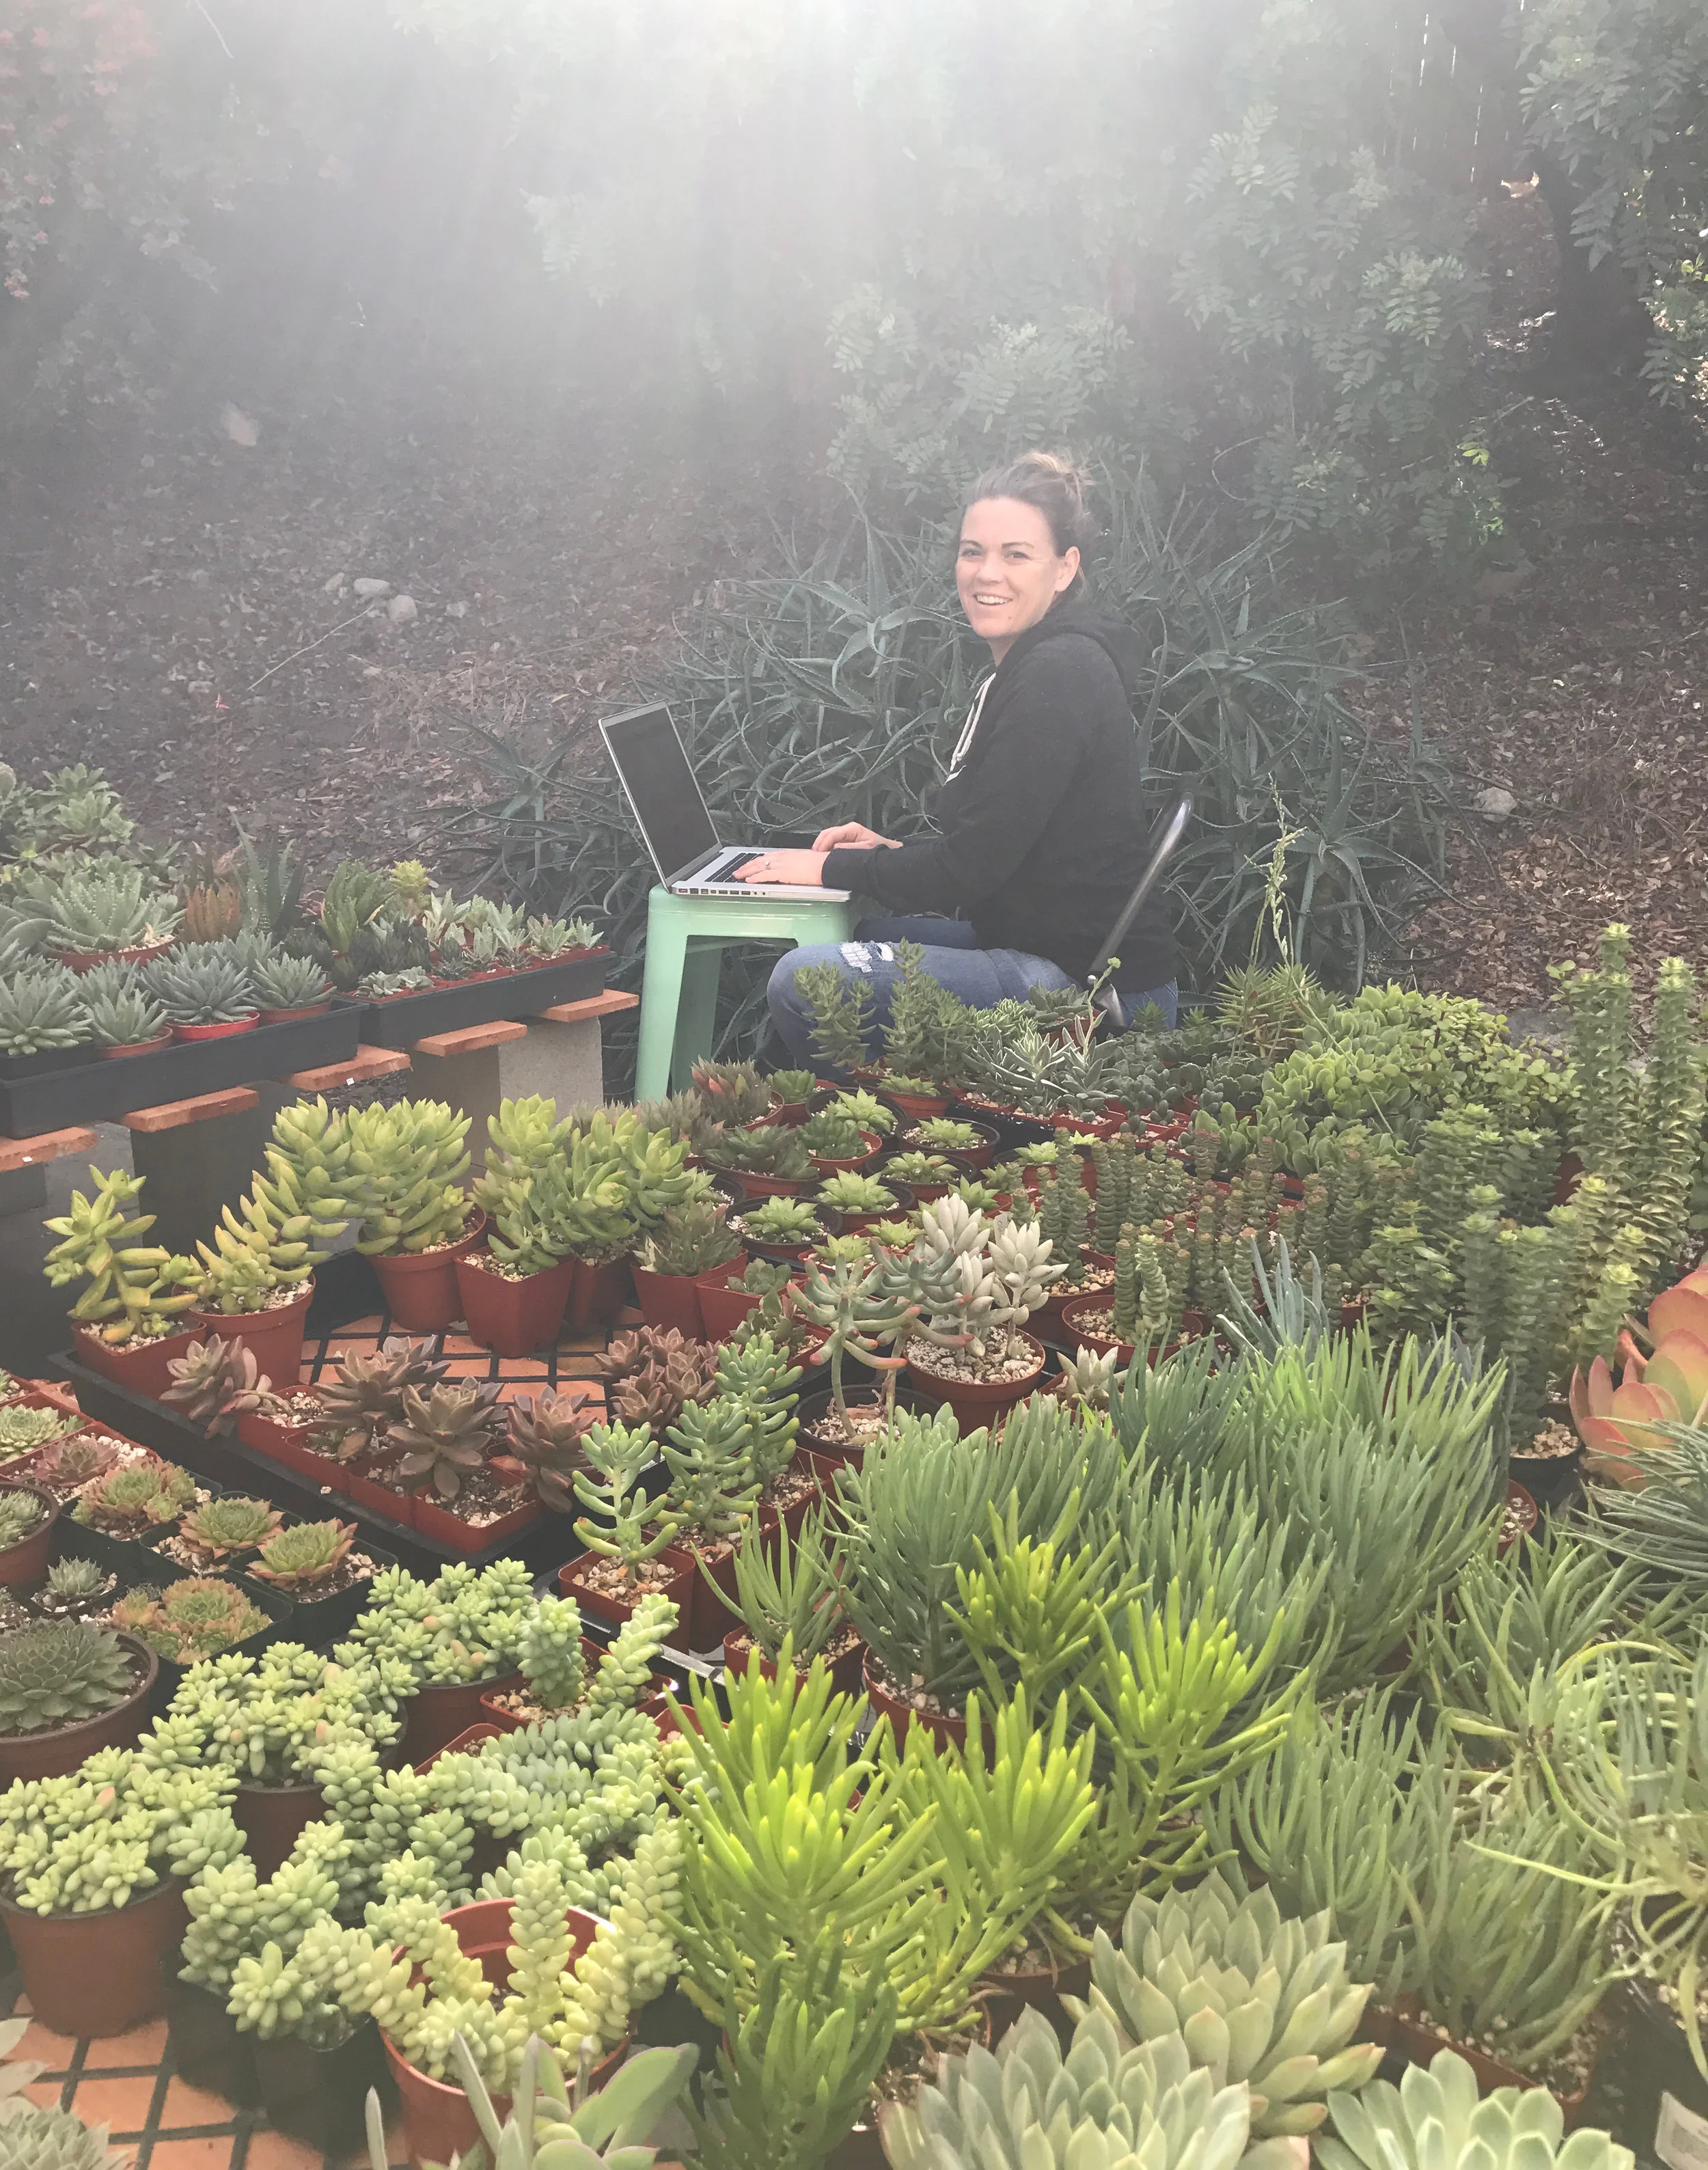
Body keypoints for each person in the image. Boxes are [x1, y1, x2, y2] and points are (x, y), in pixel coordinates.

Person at [743, 450, 1178, 1066]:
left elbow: (967, 873)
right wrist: (888, 856)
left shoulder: (1059, 675)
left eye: (1016, 554)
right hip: (1035, 945)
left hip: (1088, 995)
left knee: (807, 978)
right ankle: (791, 1123)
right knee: (863, 938)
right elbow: (998, 852)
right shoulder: (1033, 666)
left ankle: (873, 1140)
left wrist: (825, 871)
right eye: (973, 551)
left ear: (1064, 568)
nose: (986, 573)